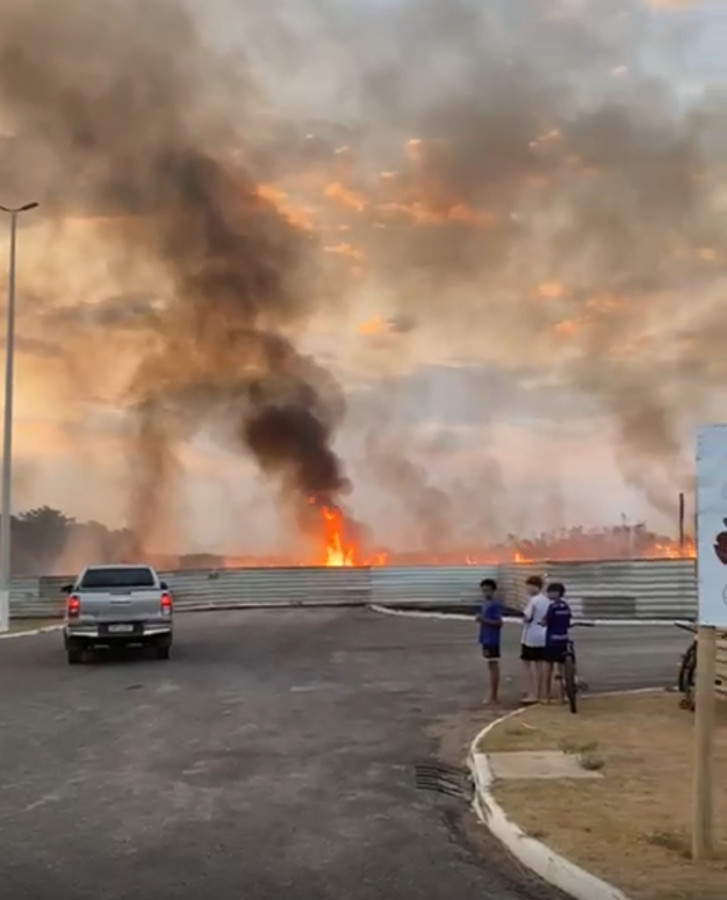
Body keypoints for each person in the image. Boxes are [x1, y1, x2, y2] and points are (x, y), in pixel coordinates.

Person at [520, 574, 550, 704]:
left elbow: (527, 617)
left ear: (535, 587)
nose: (527, 590)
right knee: (540, 666)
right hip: (543, 636)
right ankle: (541, 692)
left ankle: (532, 693)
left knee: (528, 666)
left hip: (530, 637)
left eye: (529, 587)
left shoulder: (534, 601)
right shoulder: (547, 600)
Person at [543, 581, 572, 703]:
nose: (548, 594)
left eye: (550, 592)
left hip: (552, 640)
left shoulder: (553, 607)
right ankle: (562, 697)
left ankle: (547, 697)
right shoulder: (566, 606)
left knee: (548, 668)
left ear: (556, 593)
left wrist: (542, 622)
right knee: (562, 669)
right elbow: (568, 621)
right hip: (563, 639)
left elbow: (546, 621)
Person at [477, 577, 503, 706]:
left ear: (493, 591)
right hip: (486, 638)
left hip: (492, 639)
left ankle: (494, 695)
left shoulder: (494, 604)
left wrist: (483, 620)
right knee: (490, 666)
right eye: (483, 590)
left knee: (493, 666)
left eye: (487, 590)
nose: (485, 593)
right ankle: (492, 694)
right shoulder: (485, 604)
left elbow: (499, 623)